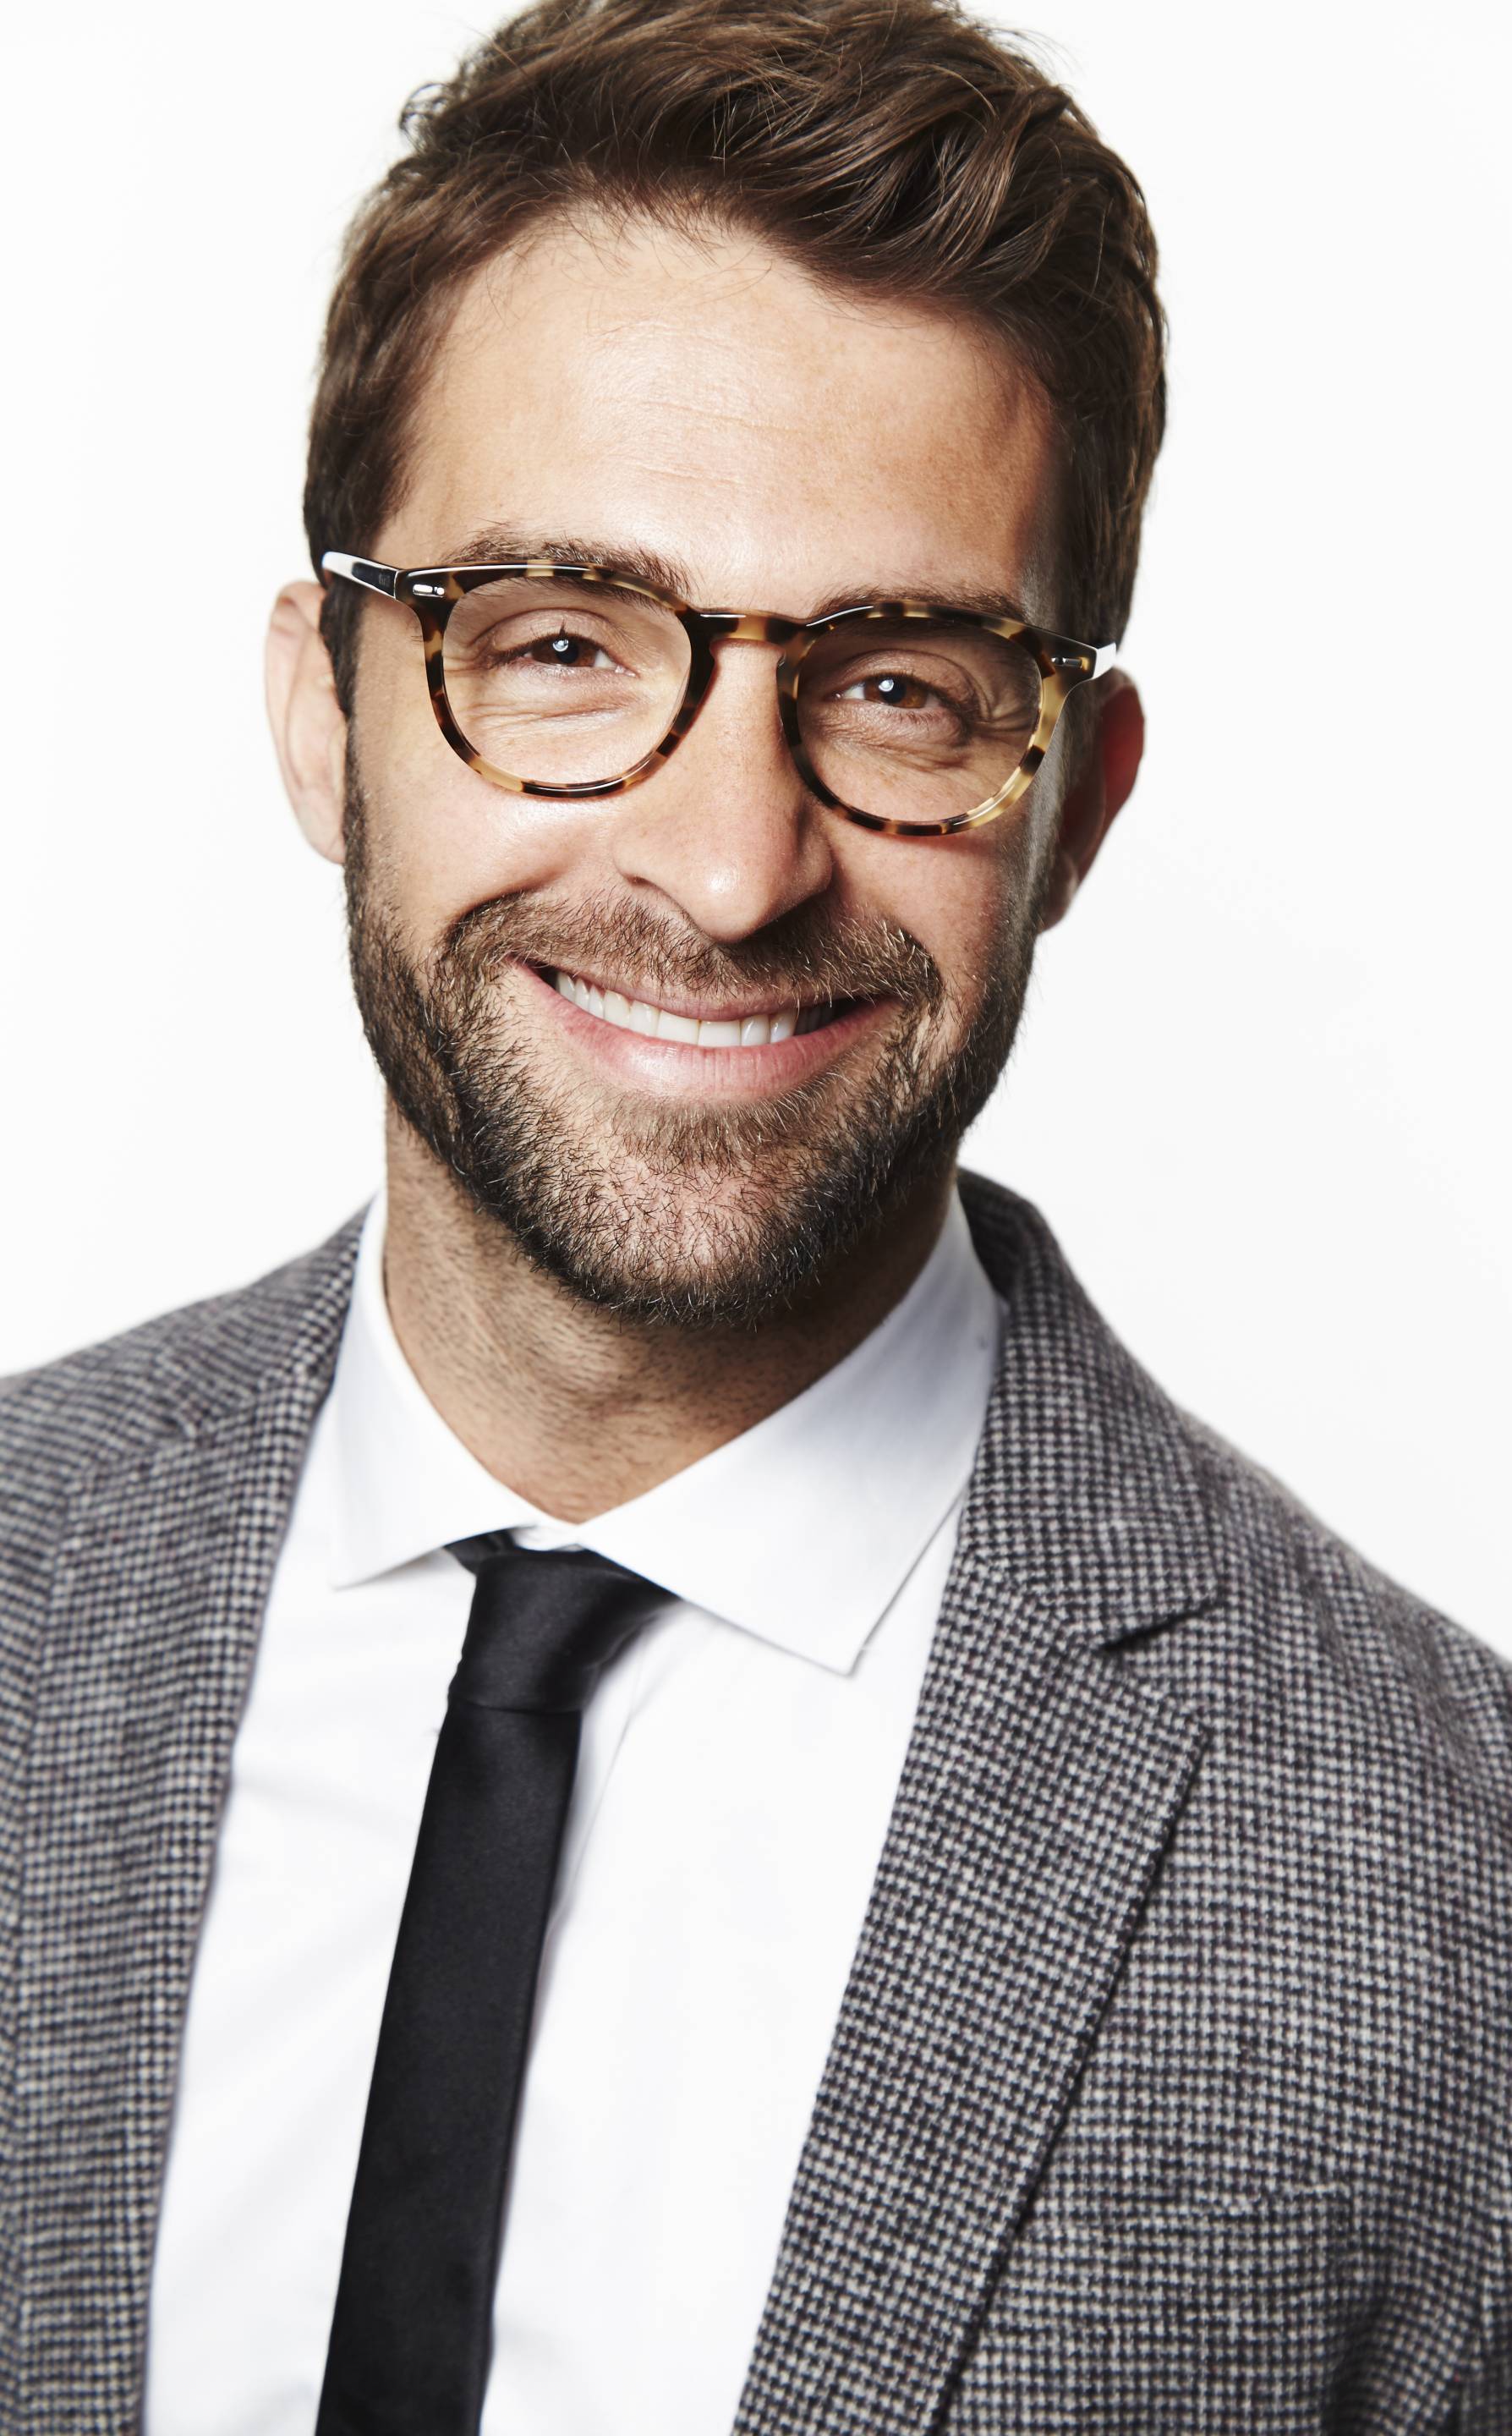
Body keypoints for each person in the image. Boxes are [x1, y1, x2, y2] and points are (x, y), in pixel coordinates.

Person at [2, 0, 1508, 2425]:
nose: (725, 872)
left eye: (903, 687)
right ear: (323, 712)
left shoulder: (1448, 1899)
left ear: (1073, 804)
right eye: (560, 646)